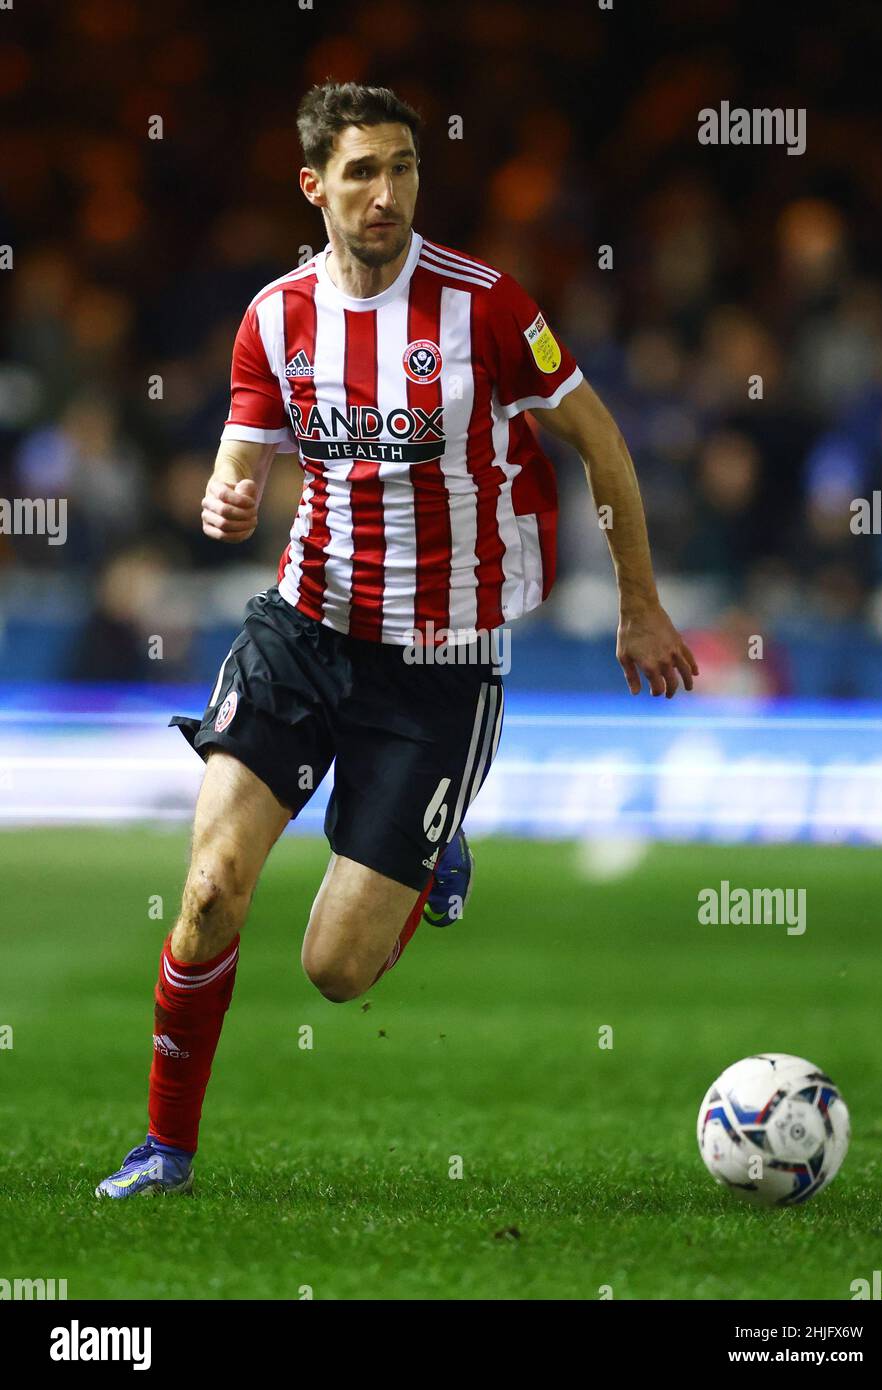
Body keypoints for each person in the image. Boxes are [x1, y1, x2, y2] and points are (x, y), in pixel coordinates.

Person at [96, 81, 698, 1199]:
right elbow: (242, 455)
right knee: (212, 890)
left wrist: (639, 602)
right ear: (314, 185)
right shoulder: (274, 316)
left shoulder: (486, 307)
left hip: (441, 660)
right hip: (303, 626)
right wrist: (227, 496)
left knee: (334, 970)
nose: (387, 193)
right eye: (363, 171)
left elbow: (601, 443)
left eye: (405, 168)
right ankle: (166, 1147)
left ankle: (427, 851)